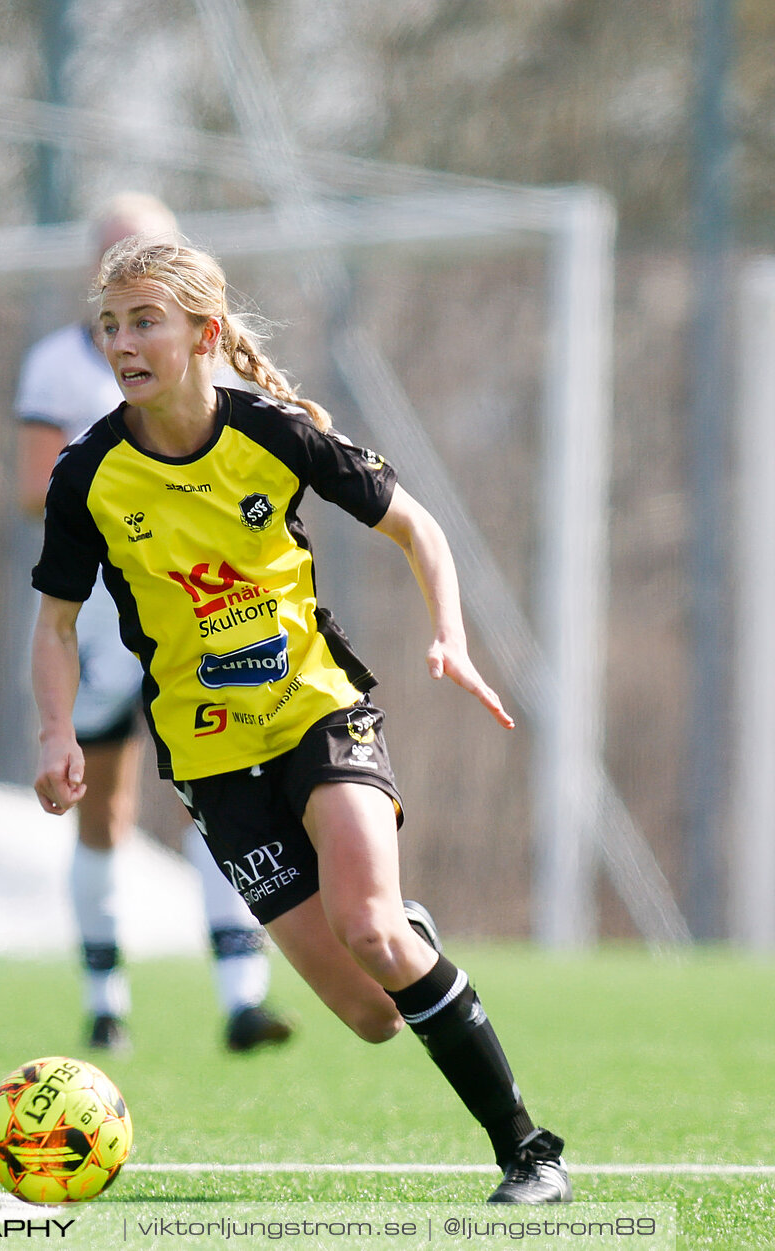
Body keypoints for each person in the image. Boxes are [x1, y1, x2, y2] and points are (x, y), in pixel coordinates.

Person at [30, 236, 571, 1204]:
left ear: (204, 332)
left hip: (320, 713)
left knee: (369, 928)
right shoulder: (90, 476)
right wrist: (56, 734)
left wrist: (449, 634)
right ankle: (406, 932)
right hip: (209, 761)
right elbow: (57, 624)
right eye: (110, 325)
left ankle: (530, 1153)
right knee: (371, 1014)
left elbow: (420, 527)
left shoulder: (275, 433)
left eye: (145, 320)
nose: (123, 343)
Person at [16, 194, 293, 1056]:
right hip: (103, 621)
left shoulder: (219, 373)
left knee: (220, 795)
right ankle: (106, 997)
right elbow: (35, 489)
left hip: (203, 622)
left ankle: (243, 995)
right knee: (105, 807)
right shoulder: (61, 367)